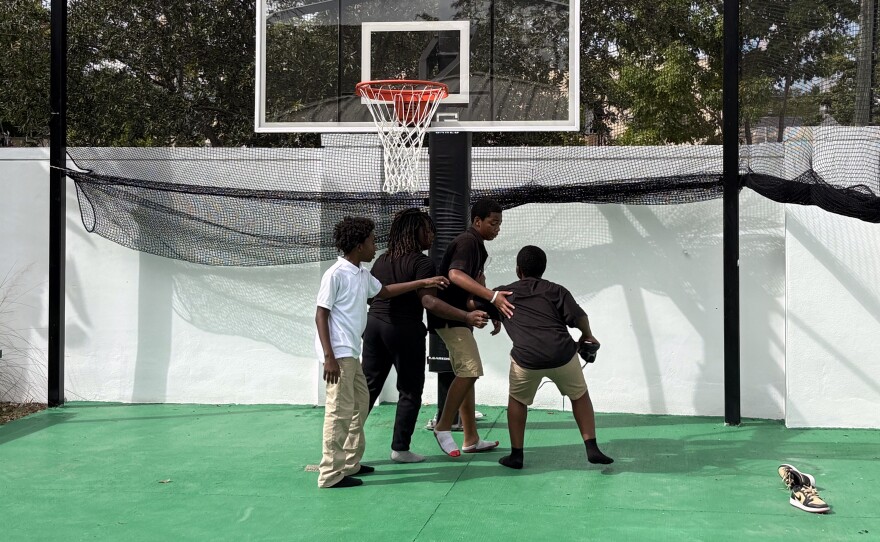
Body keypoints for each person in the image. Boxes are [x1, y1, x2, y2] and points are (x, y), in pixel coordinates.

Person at [315, 216, 448, 488]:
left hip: (361, 343)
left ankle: (350, 463)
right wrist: (329, 357)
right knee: (341, 411)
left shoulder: (369, 270)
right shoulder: (336, 274)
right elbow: (321, 314)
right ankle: (331, 473)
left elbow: (384, 292)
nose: (376, 245)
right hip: (347, 351)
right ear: (358, 244)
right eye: (372, 240)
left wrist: (419, 283)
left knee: (361, 403)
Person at [363, 208, 490, 464]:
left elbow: (371, 295)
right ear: (414, 232)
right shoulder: (423, 263)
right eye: (427, 230)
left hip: (373, 326)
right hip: (404, 330)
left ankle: (345, 446)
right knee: (410, 390)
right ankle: (400, 449)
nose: (432, 235)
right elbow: (430, 302)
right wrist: (465, 317)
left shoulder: (381, 260)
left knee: (368, 388)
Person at [471, 245, 613, 469]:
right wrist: (587, 336)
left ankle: (516, 455)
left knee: (517, 400)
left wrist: (482, 288)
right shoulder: (556, 290)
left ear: (518, 270)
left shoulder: (503, 294)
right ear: (543, 269)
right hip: (563, 354)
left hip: (527, 360)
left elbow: (473, 304)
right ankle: (591, 446)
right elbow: (579, 316)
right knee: (579, 395)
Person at [427, 197, 514, 457]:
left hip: (459, 317)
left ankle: (471, 438)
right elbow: (455, 275)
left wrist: (491, 309)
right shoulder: (467, 242)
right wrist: (492, 297)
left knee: (466, 375)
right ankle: (443, 426)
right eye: (493, 222)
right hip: (450, 319)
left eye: (499, 223)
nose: (497, 228)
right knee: (471, 370)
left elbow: (468, 291)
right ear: (477, 221)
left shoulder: (478, 247)